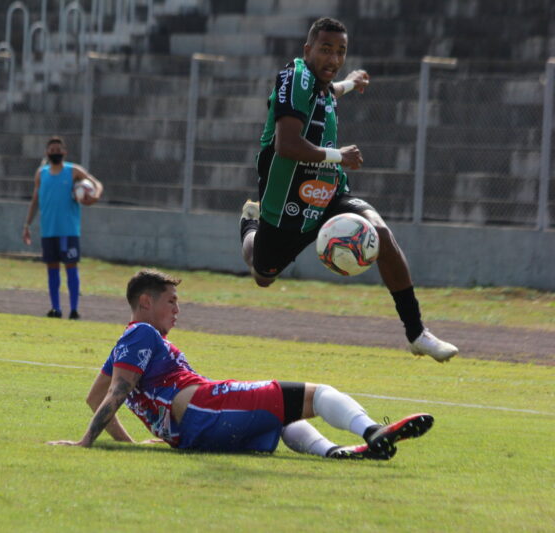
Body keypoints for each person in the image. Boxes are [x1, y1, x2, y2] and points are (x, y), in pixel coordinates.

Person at [239, 17, 458, 362]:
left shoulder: (322, 84)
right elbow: (286, 145)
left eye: (341, 52)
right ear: (307, 50)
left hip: (328, 194)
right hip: (286, 204)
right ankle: (249, 223)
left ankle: (417, 333)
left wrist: (351, 82)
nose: (334, 59)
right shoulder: (294, 77)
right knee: (262, 273)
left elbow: (329, 91)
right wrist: (338, 155)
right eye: (326, 50)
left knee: (381, 234)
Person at [48, 269, 434, 459]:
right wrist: (86, 442)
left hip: (192, 436)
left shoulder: (125, 346)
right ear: (145, 303)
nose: (177, 310)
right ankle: (372, 432)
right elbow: (115, 393)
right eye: (171, 301)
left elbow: (94, 396)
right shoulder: (142, 334)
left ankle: (339, 454)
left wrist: (132, 445)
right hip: (206, 408)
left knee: (286, 419)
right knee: (318, 394)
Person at [23, 136, 104, 320]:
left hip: (68, 231)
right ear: (47, 153)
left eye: (58, 150)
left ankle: (74, 309)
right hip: (49, 230)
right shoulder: (41, 174)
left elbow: (97, 183)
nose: (55, 153)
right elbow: (35, 200)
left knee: (70, 268)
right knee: (52, 268)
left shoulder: (73, 171)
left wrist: (95, 196)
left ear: (64, 152)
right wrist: (27, 224)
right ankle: (56, 308)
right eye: (52, 151)